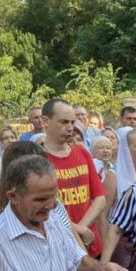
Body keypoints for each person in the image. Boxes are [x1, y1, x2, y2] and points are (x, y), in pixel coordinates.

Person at [42, 99, 106, 259]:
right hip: (59, 248)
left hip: (90, 244)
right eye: (63, 122)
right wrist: (76, 231)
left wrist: (81, 228)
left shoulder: (82, 154)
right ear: (45, 121)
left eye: (72, 122)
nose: (70, 128)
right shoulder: (38, 159)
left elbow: (99, 197)